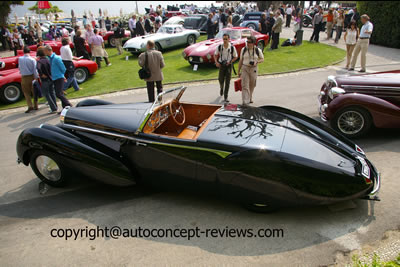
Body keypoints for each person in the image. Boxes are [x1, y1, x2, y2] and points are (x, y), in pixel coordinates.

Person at [238, 36, 264, 105]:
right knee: (244, 85)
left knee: (252, 85)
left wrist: (257, 62)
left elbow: (262, 59)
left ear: (253, 43)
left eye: (249, 42)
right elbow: (241, 60)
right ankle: (245, 101)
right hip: (245, 68)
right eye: (247, 42)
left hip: (253, 69)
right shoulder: (243, 50)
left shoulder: (257, 50)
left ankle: (250, 97)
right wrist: (238, 71)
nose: (247, 43)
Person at [44, 45, 72, 109]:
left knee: (58, 94)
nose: (44, 53)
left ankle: (68, 104)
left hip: (59, 77)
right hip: (54, 78)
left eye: (45, 51)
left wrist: (62, 75)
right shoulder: (50, 59)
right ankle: (65, 107)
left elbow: (63, 68)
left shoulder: (56, 58)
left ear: (49, 50)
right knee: (60, 93)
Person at [214, 33, 238, 102]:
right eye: (224, 39)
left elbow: (236, 56)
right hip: (221, 65)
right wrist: (216, 62)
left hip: (228, 66)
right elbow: (215, 55)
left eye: (226, 39)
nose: (225, 40)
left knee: (227, 81)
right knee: (220, 79)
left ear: (229, 39)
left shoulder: (232, 47)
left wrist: (230, 61)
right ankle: (221, 87)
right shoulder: (219, 47)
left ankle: (225, 96)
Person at [36, 47, 57, 113]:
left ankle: (53, 108)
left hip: (45, 80)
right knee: (52, 92)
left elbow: (38, 68)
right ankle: (55, 106)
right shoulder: (48, 60)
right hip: (51, 78)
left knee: (46, 94)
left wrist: (41, 74)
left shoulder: (39, 61)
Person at [18, 46, 38, 113]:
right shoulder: (32, 59)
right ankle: (36, 105)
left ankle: (30, 105)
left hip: (24, 76)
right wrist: (36, 77)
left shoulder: (20, 59)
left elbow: (19, 67)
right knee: (34, 92)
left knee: (26, 92)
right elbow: (35, 70)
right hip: (31, 76)